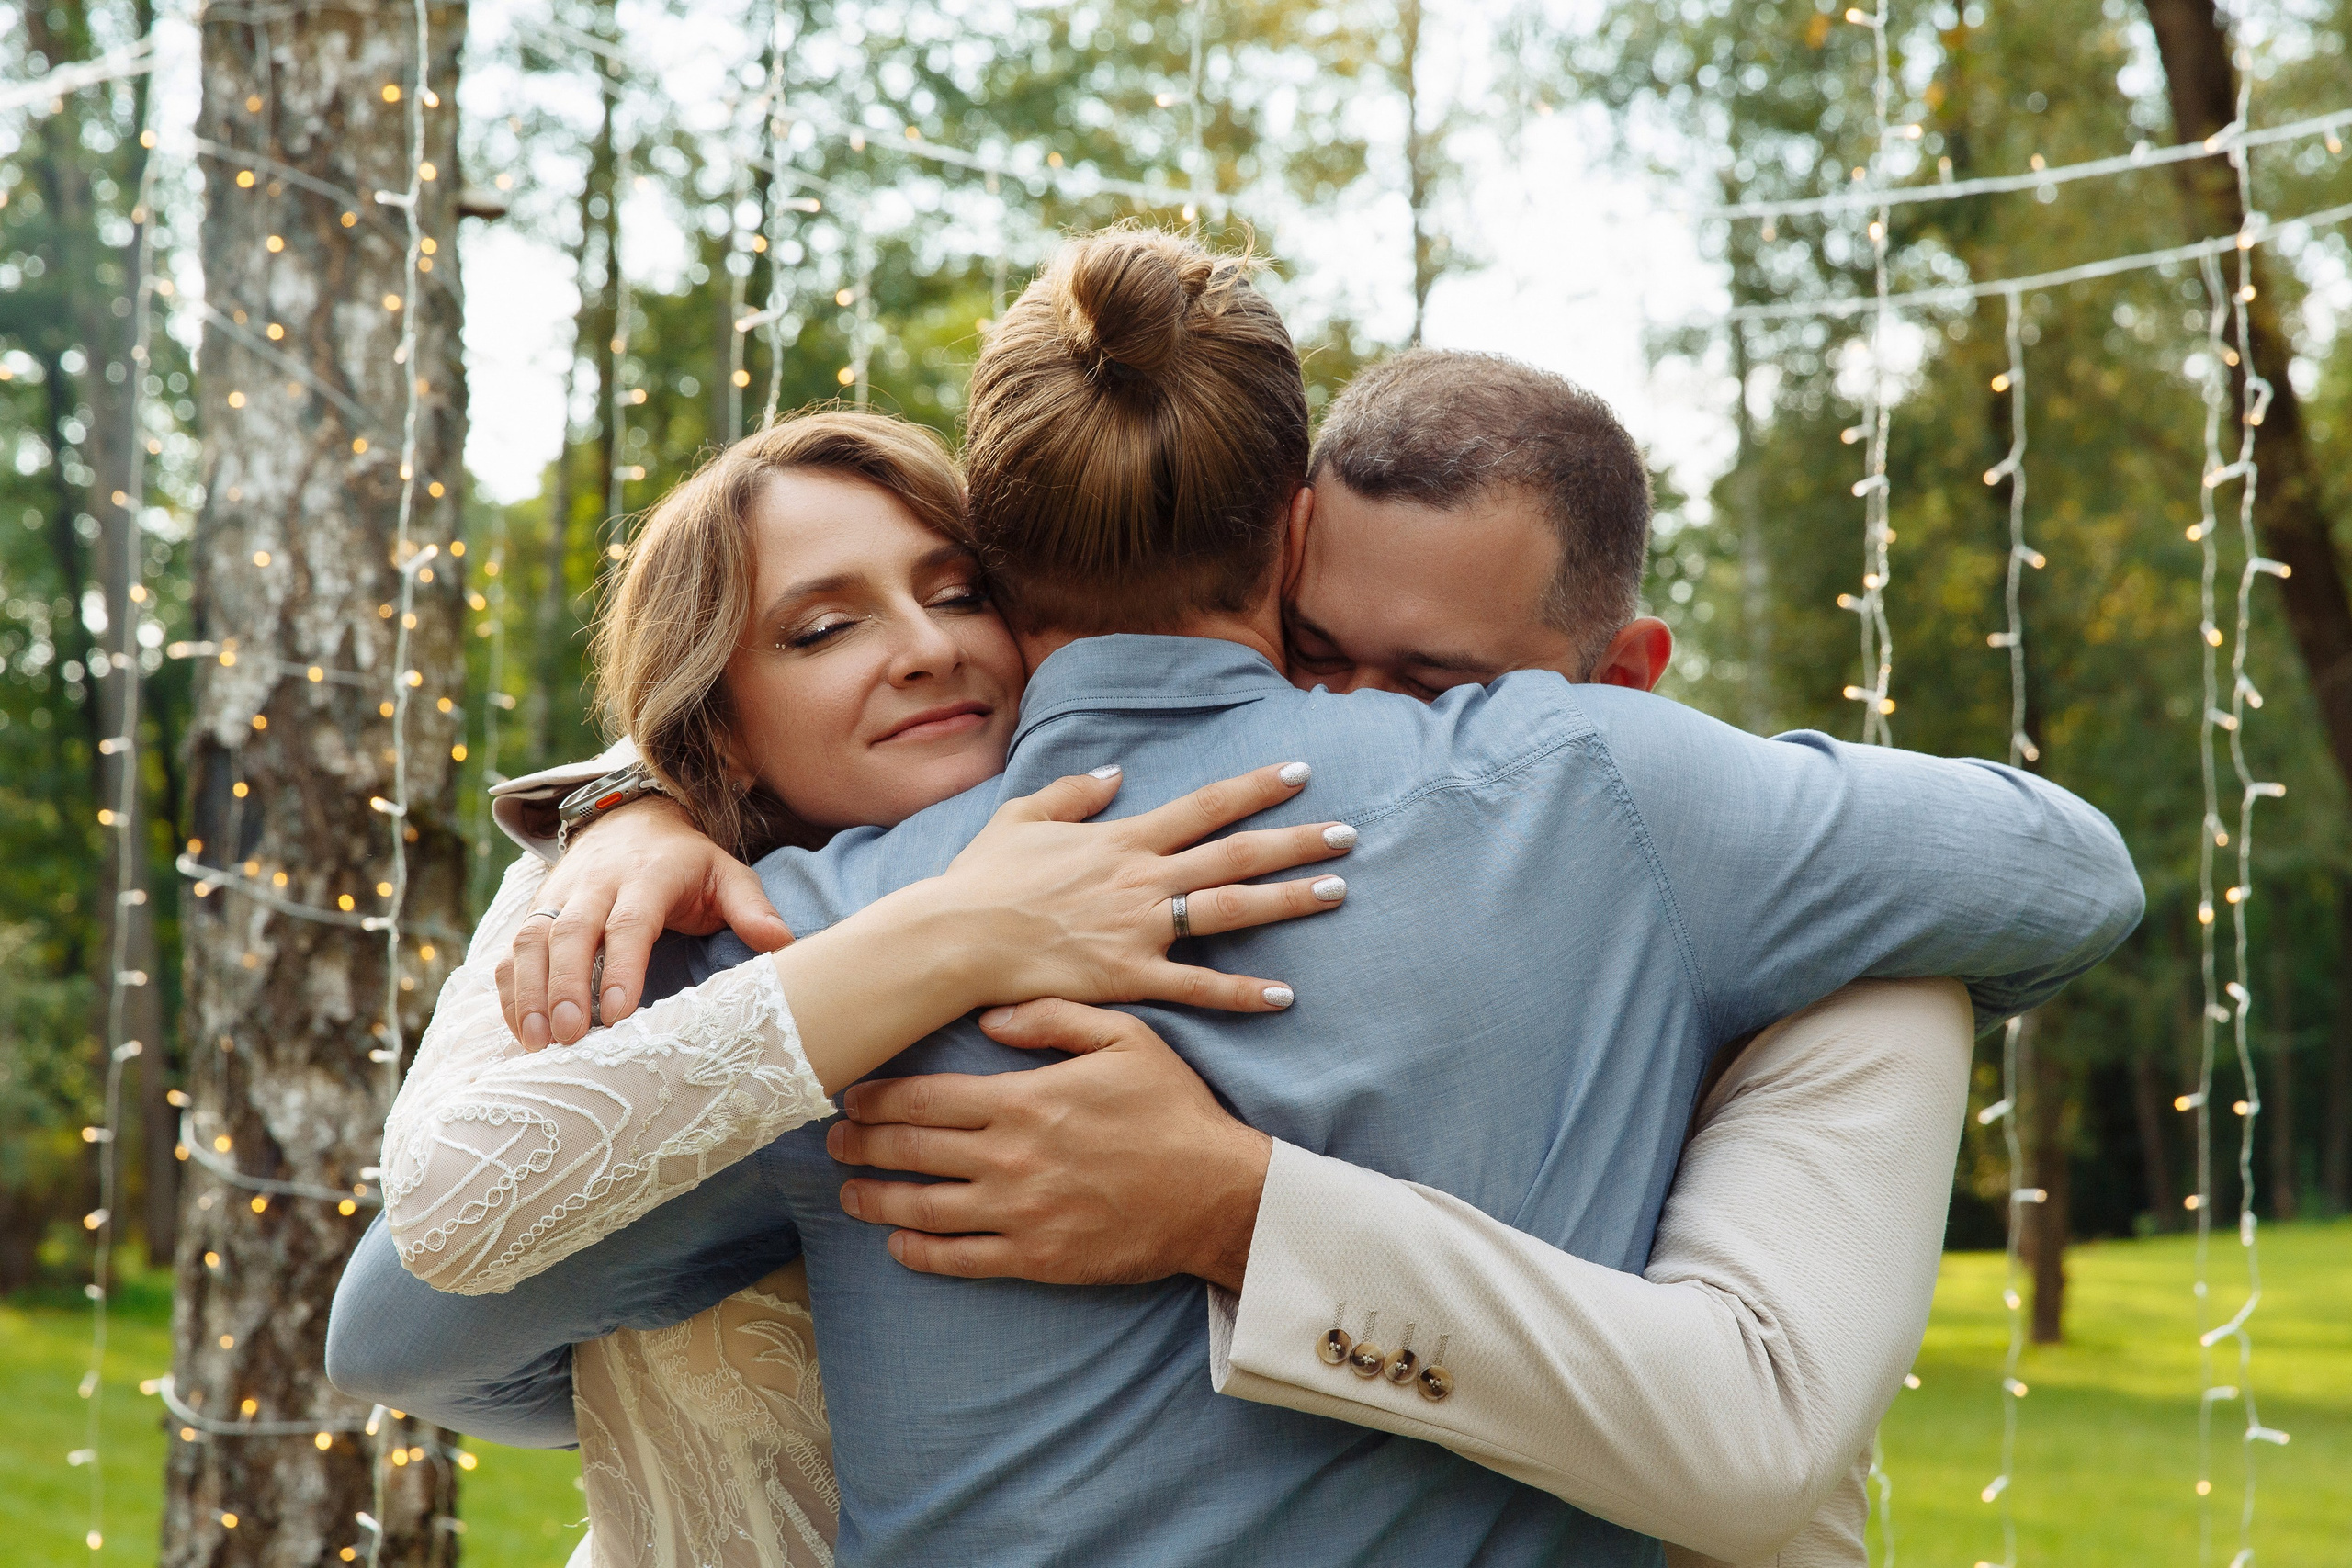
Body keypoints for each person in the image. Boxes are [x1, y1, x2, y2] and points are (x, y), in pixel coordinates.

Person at [333, 228, 2143, 1567]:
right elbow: (2068, 879)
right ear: (1290, 524)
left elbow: (414, 1326)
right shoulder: (1613, 788)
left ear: (1004, 554)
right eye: (818, 626)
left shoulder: (802, 948)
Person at [369, 409, 1360, 1566]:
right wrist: (958, 929)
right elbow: (433, 1248)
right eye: (824, 626)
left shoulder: (1171, 835)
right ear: (720, 729)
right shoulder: (620, 900)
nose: (928, 647)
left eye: (956, 594)